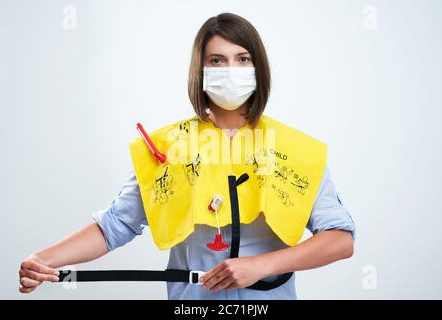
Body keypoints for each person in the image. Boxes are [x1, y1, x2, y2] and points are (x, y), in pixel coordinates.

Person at [18, 12, 356, 299]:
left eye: (243, 59)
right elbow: (114, 226)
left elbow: (340, 239)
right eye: (217, 61)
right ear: (201, 71)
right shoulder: (169, 148)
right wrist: (44, 259)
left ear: (258, 68)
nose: (231, 69)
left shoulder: (292, 149)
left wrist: (264, 265)